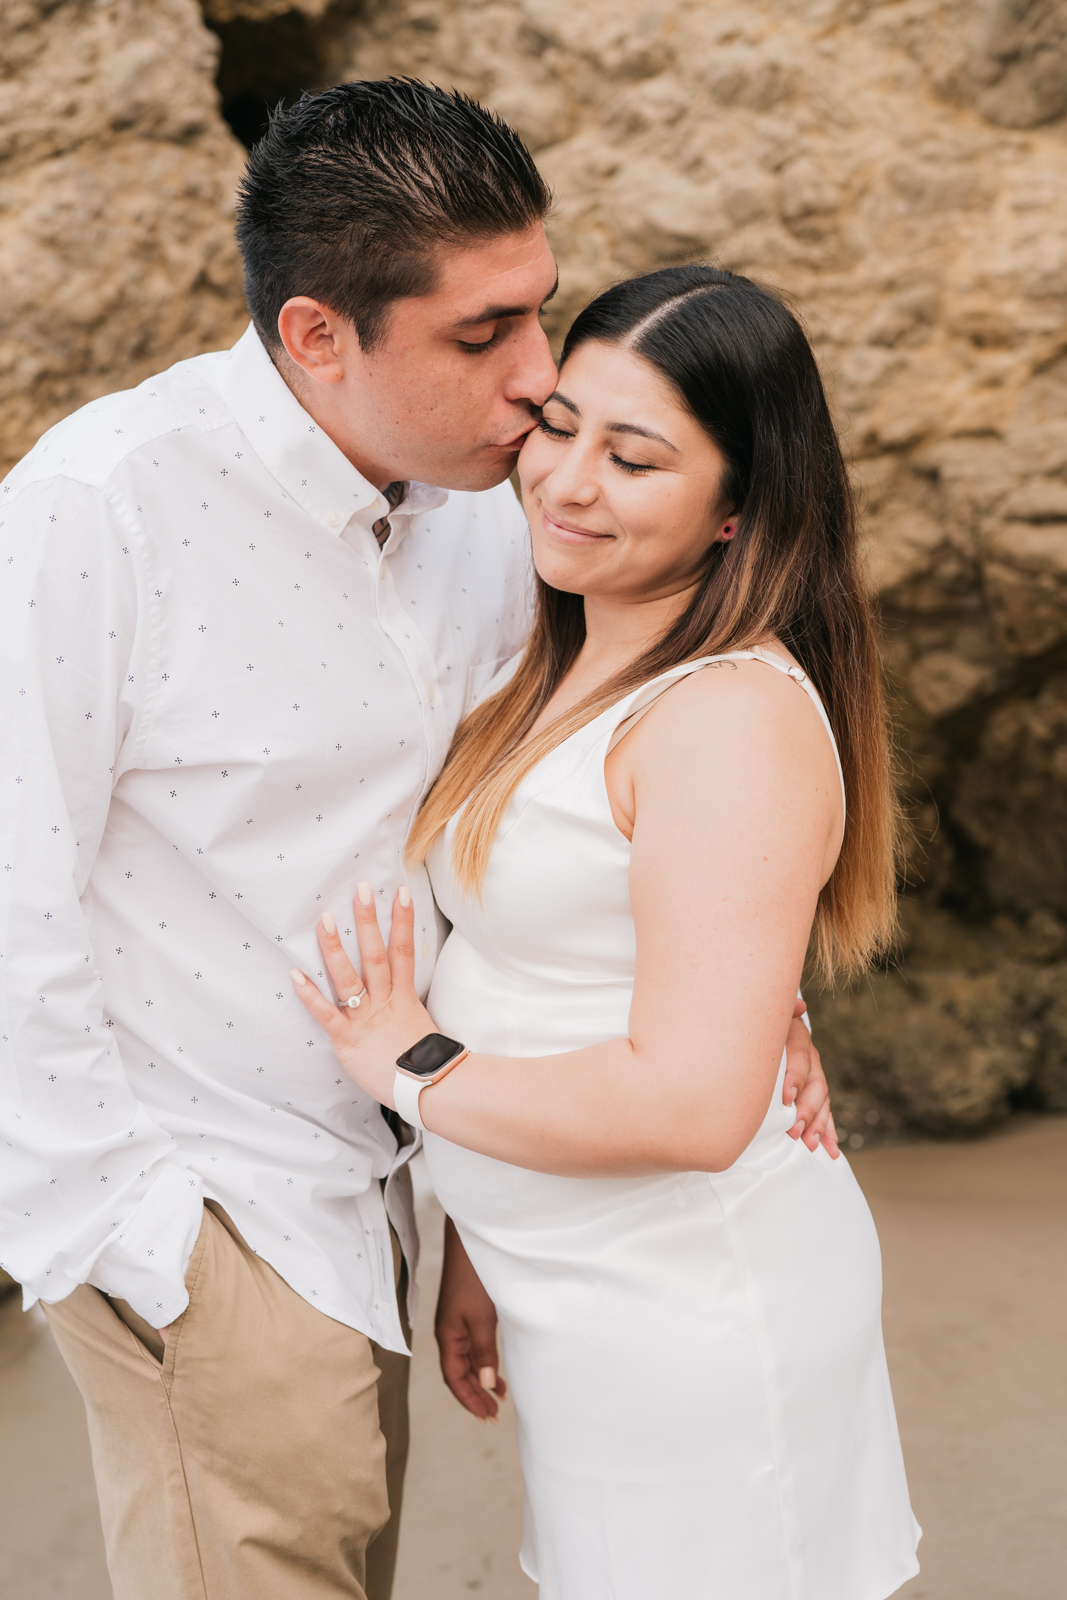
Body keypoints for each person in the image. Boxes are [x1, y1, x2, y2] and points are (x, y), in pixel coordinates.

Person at [0, 84, 833, 1600]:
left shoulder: (493, 509)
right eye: (481, 335)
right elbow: (11, 895)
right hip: (212, 1199)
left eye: (543, 311)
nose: (539, 384)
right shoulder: (96, 511)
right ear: (319, 336)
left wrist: (755, 993)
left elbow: (616, 791)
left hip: (402, 1178)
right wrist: (131, 1238)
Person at [293, 263, 921, 1599]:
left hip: (693, 1301)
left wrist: (410, 1069)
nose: (566, 481)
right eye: (560, 424)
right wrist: (471, 1245)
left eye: (633, 459)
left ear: (736, 512)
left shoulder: (726, 718)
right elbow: (551, 973)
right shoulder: (568, 651)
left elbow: (695, 1101)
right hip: (572, 1290)